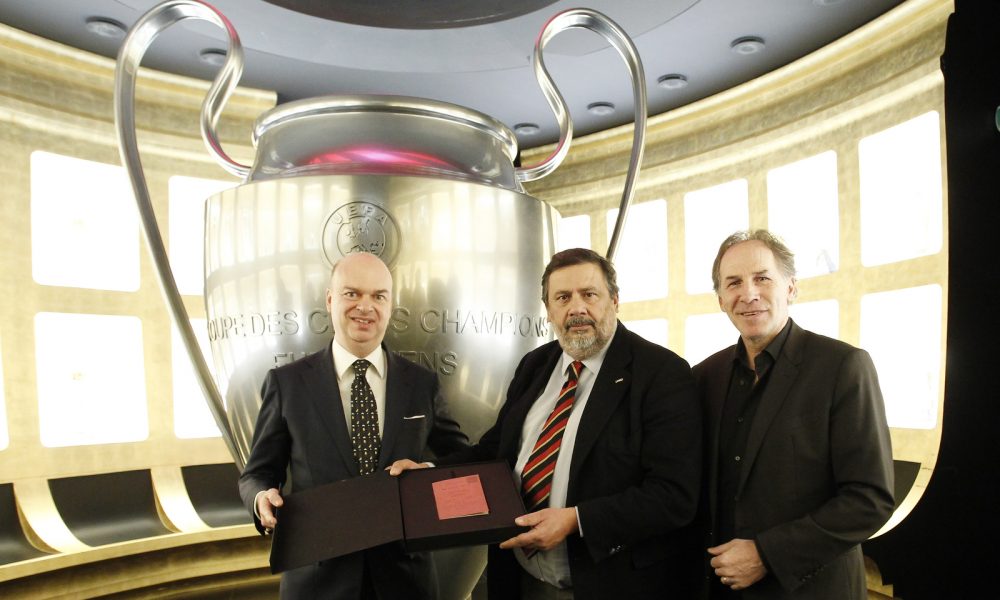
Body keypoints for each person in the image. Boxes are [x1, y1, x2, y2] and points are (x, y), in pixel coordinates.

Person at [392, 247, 703, 599]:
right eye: (563, 297)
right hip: (521, 579)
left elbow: (674, 495)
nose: (577, 308)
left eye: (589, 294)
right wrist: (428, 473)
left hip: (607, 583)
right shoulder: (535, 365)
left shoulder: (662, 373)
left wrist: (576, 520)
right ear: (549, 309)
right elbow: (495, 451)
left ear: (615, 301)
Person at [238, 251, 469, 599]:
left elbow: (462, 460)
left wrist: (428, 473)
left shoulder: (422, 383)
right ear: (330, 300)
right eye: (352, 293)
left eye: (378, 296)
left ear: (390, 305)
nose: (365, 306)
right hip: (316, 581)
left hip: (405, 582)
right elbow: (256, 474)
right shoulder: (287, 384)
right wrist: (261, 498)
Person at [695, 230, 894, 599]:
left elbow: (869, 499)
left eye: (762, 278)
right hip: (722, 587)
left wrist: (766, 555)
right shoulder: (704, 376)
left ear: (791, 288)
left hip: (811, 589)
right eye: (733, 282)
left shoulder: (843, 366)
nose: (748, 294)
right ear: (721, 299)